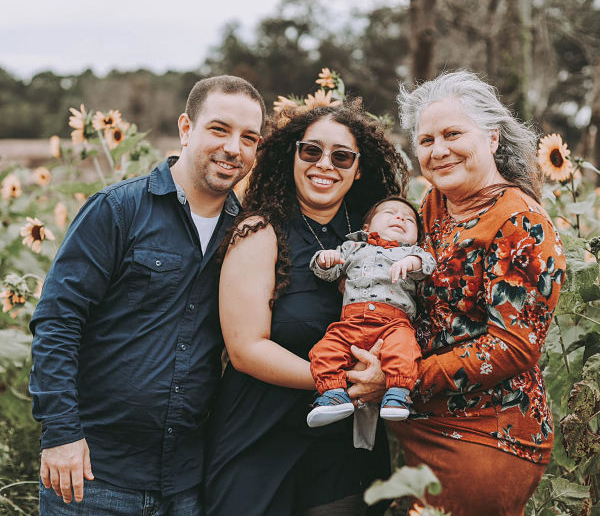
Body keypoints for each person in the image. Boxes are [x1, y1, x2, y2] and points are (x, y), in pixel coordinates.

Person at [29, 75, 265, 515]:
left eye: (248, 138)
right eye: (219, 129)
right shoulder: (118, 210)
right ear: (186, 128)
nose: (234, 148)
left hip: (186, 482)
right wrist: (60, 434)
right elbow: (58, 322)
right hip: (92, 474)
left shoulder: (248, 233)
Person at [204, 101, 408, 516]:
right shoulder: (260, 230)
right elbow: (246, 349)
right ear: (291, 156)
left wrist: (387, 374)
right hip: (261, 438)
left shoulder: (377, 236)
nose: (324, 165)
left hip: (341, 449)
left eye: (341, 156)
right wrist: (345, 381)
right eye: (311, 151)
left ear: (359, 168)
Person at [387, 70, 566, 516]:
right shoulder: (432, 204)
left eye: (452, 134)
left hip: (487, 432)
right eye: (426, 140)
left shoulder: (520, 223)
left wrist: (400, 379)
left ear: (491, 137)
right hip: (420, 418)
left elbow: (509, 348)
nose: (439, 150)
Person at [306, 197, 436, 428]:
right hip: (351, 322)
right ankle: (333, 394)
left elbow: (427, 264)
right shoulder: (353, 247)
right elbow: (327, 272)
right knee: (325, 350)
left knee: (404, 348)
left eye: (409, 219)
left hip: (394, 323)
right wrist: (325, 260)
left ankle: (397, 394)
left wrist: (411, 262)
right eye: (390, 213)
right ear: (366, 228)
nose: (400, 218)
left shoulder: (413, 252)